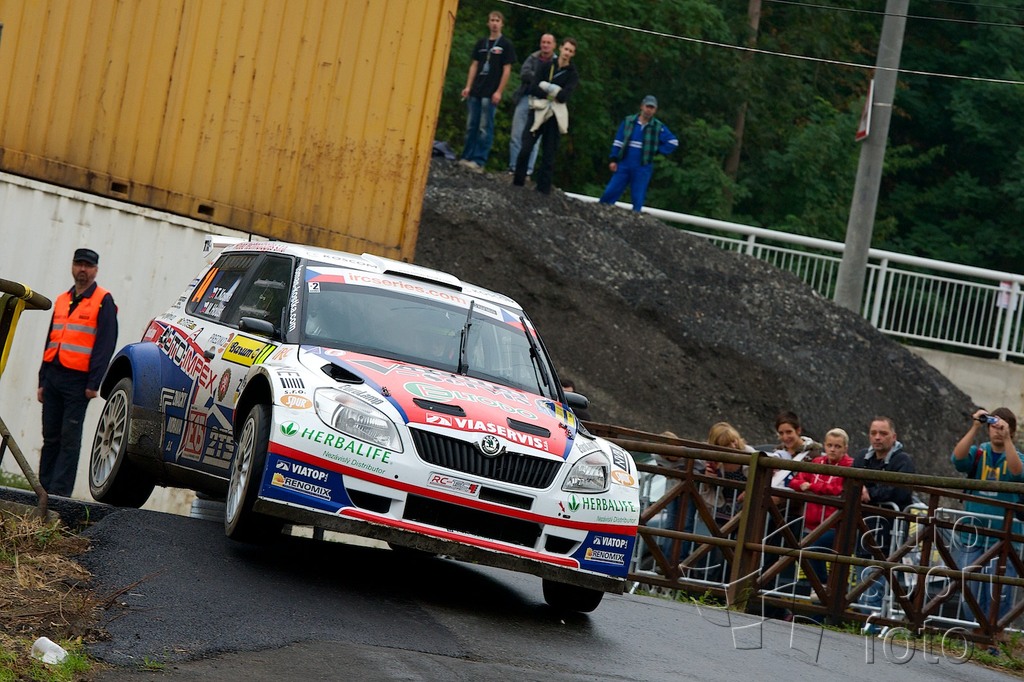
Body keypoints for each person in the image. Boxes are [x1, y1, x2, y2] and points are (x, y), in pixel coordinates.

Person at [37, 248, 118, 497]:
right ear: (72, 266)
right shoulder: (62, 299)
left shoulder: (103, 300)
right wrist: (42, 379)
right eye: (79, 264)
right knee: (50, 437)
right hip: (53, 375)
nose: (82, 269)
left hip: (78, 381)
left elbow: (105, 344)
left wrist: (94, 382)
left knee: (69, 439)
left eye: (88, 266)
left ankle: (59, 496)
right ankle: (42, 490)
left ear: (95, 270)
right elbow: (51, 339)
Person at [951, 407, 1024, 623]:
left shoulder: (1016, 456)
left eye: (1002, 427)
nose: (997, 431)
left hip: (1004, 537)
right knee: (968, 587)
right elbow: (958, 459)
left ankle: (994, 631)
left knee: (999, 591)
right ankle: (975, 629)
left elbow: (1017, 473)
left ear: (1012, 431)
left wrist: (1008, 439)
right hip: (973, 533)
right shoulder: (979, 453)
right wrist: (975, 425)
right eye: (993, 426)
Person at [852, 416, 916, 622]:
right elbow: (852, 482)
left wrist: (870, 493)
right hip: (865, 527)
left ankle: (874, 623)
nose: (877, 437)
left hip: (890, 531)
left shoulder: (903, 460)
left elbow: (900, 491)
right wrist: (863, 490)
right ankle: (867, 621)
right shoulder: (862, 457)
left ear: (893, 436)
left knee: (878, 579)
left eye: (883, 433)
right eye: (873, 433)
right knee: (862, 577)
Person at [512, 38, 579, 195]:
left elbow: (564, 96)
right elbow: (534, 87)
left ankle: (543, 189)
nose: (567, 53)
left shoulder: (573, 74)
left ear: (573, 54)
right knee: (526, 147)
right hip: (537, 110)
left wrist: (548, 89)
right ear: (560, 48)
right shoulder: (546, 66)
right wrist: (552, 93)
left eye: (570, 51)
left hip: (554, 116)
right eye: (566, 49)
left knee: (549, 153)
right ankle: (517, 183)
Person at [788, 427, 854, 585]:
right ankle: (822, 588)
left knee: (813, 550)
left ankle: (825, 587)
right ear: (824, 445)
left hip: (835, 524)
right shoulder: (817, 462)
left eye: (837, 446)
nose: (833, 449)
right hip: (812, 523)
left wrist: (811, 486)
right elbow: (795, 481)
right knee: (804, 553)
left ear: (845, 448)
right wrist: (804, 485)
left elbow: (838, 489)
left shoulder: (850, 466)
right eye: (830, 445)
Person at [598, 95, 679, 212]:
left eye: (652, 108)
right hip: (624, 163)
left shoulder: (658, 127)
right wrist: (613, 159)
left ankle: (636, 218)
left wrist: (656, 150)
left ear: (655, 110)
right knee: (611, 191)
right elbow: (618, 141)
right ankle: (601, 212)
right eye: (647, 106)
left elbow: (673, 142)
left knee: (638, 196)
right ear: (642, 106)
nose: (649, 110)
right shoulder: (628, 121)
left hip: (643, 166)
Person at [458, 11, 517, 172]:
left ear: (502, 24)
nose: (494, 23)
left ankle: (479, 160)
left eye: (497, 20)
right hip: (476, 90)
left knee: (485, 127)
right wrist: (468, 86)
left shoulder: (505, 44)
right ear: (488, 23)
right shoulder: (481, 43)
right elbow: (474, 65)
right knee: (472, 125)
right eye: (492, 20)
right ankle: (466, 156)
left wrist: (499, 91)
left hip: (490, 92)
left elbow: (507, 70)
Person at [508, 33, 556, 176]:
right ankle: (513, 167)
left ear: (554, 45)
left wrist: (536, 79)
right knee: (516, 134)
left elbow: (554, 83)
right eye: (543, 42)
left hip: (543, 102)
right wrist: (541, 80)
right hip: (525, 97)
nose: (545, 45)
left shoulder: (556, 63)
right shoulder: (533, 57)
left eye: (548, 42)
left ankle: (527, 170)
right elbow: (524, 74)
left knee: (535, 137)